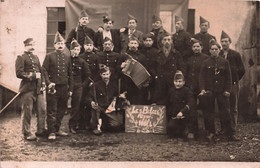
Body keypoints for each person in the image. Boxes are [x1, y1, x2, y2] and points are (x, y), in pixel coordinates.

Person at [199, 41, 237, 142]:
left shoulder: (224, 62)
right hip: (209, 91)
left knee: (225, 112)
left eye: (216, 49)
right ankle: (211, 132)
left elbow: (229, 78)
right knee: (209, 112)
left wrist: (228, 90)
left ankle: (229, 133)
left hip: (222, 91)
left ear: (219, 50)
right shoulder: (206, 62)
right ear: (209, 51)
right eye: (212, 49)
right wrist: (202, 89)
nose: (214, 51)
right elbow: (202, 78)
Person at [42, 32, 73, 140]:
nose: (60, 45)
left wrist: (71, 88)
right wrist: (48, 83)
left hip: (64, 88)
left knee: (61, 109)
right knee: (52, 110)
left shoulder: (67, 57)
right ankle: (51, 132)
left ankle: (57, 129)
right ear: (54, 45)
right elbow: (44, 70)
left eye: (62, 43)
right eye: (58, 43)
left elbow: (70, 74)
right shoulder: (49, 56)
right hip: (53, 87)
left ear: (64, 45)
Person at [15, 38, 47, 141]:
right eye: (30, 45)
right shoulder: (21, 57)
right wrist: (32, 75)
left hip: (38, 88)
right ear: (25, 46)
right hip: (27, 88)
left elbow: (40, 72)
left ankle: (41, 130)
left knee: (42, 110)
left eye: (34, 44)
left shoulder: (36, 57)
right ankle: (27, 132)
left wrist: (42, 83)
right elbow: (19, 73)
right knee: (27, 111)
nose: (32, 47)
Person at [219, 30, 245, 136]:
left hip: (233, 84)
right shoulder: (219, 54)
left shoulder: (235, 54)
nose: (224, 43)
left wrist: (235, 80)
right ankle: (224, 128)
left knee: (233, 107)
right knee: (223, 107)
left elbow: (242, 70)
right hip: (221, 85)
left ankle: (232, 130)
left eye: (226, 41)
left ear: (230, 42)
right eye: (222, 41)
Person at [151, 33, 185, 105]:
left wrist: (178, 77)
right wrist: (156, 76)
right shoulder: (157, 53)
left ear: (171, 41)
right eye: (165, 40)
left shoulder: (176, 53)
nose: (167, 41)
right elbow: (152, 67)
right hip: (160, 80)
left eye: (169, 40)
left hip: (172, 80)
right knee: (160, 99)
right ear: (162, 42)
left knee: (171, 99)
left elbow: (181, 67)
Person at [186, 39, 208, 137]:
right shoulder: (189, 59)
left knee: (205, 107)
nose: (196, 48)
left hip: (203, 87)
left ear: (201, 47)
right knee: (192, 108)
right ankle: (193, 130)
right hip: (192, 86)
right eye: (194, 47)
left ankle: (206, 130)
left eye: (198, 46)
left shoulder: (206, 58)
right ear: (192, 48)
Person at [87, 66, 119, 135]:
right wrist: (91, 102)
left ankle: (105, 124)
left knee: (116, 125)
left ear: (110, 74)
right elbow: (89, 97)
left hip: (109, 109)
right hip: (99, 107)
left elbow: (116, 96)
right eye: (104, 74)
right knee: (95, 108)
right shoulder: (95, 85)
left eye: (107, 74)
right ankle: (95, 127)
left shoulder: (114, 85)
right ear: (100, 75)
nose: (106, 76)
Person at [68, 39, 90, 133]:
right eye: (74, 49)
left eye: (77, 50)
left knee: (76, 106)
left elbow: (88, 75)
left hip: (78, 86)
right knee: (61, 105)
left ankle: (72, 125)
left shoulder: (82, 61)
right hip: (66, 85)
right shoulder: (66, 59)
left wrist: (82, 85)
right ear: (70, 50)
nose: (76, 51)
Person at [79, 36, 99, 130]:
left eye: (90, 45)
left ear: (93, 46)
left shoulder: (96, 57)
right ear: (83, 46)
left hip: (92, 84)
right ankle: (81, 123)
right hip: (82, 84)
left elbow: (98, 72)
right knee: (81, 103)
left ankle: (89, 123)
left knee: (90, 103)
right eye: (87, 45)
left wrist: (93, 82)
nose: (89, 47)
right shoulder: (80, 57)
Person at [166, 73, 195, 139]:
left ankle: (190, 131)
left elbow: (191, 102)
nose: (177, 84)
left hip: (185, 116)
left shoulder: (187, 91)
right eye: (176, 81)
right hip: (175, 116)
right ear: (173, 82)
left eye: (180, 81)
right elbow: (167, 101)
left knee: (186, 135)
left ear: (184, 82)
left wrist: (182, 112)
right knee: (170, 129)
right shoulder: (171, 90)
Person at [120, 37, 148, 105]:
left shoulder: (142, 57)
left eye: (135, 43)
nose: (133, 45)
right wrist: (121, 66)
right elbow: (117, 69)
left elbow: (146, 70)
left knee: (138, 103)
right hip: (127, 83)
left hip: (138, 83)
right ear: (128, 44)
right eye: (131, 43)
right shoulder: (123, 56)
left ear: (138, 45)